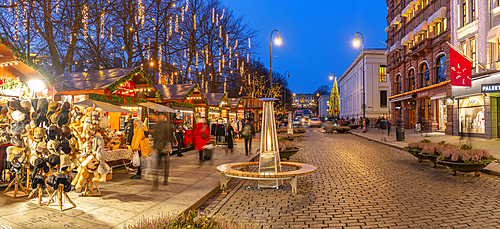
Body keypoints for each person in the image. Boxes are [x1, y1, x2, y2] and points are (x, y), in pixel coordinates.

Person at [152, 115, 172, 188]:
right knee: (166, 165)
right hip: (165, 148)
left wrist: (155, 146)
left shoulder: (157, 126)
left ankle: (155, 183)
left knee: (157, 165)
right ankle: (165, 180)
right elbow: (169, 137)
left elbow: (156, 137)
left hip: (158, 147)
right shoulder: (168, 126)